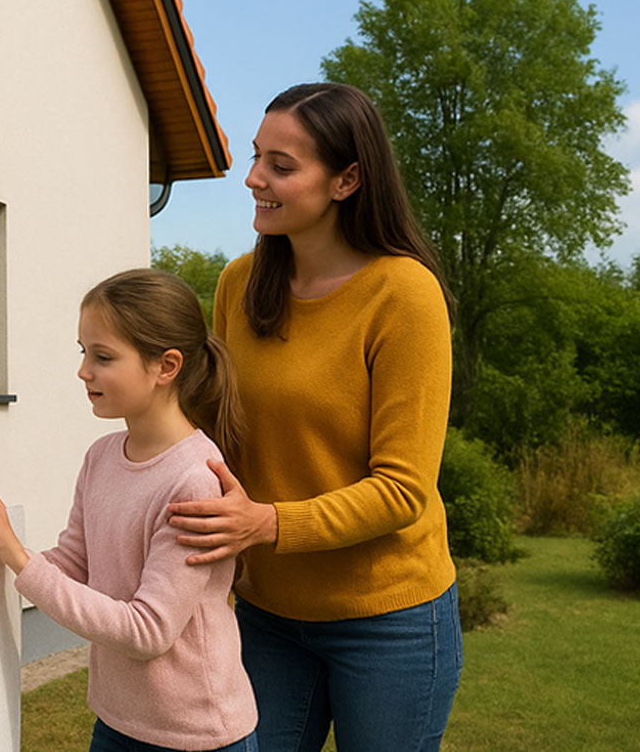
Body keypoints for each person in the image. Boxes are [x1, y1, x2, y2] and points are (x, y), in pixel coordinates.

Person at [167, 82, 460, 752]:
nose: (252, 179)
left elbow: (402, 490)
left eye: (281, 165)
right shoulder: (240, 284)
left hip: (390, 618)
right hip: (268, 614)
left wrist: (266, 523)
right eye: (255, 157)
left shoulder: (403, 295)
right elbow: (216, 434)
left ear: (347, 179)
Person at [0, 269, 258, 752]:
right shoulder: (101, 457)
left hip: (197, 736)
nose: (84, 371)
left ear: (166, 366)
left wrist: (20, 558)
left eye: (103, 357)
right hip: (117, 721)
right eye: (83, 352)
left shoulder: (195, 481)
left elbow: (148, 631)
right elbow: (74, 564)